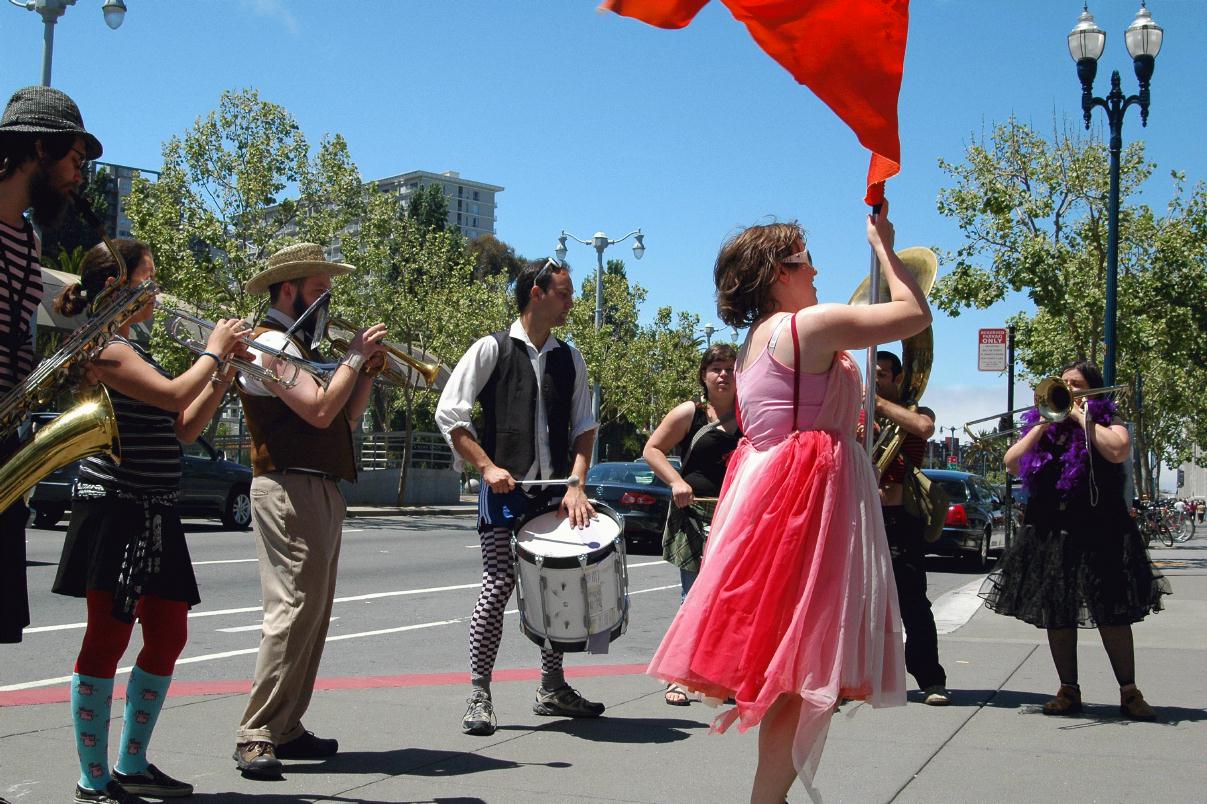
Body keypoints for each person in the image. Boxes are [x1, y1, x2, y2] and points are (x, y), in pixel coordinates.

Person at [648, 202, 929, 802]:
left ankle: (767, 798)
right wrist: (884, 247)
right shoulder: (803, 328)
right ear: (780, 271)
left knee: (791, 672)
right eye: (805, 260)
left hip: (779, 495)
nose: (817, 269)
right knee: (802, 670)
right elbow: (912, 314)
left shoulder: (759, 337)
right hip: (802, 502)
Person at [51, 239, 249, 804]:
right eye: (150, 278)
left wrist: (222, 374)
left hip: (155, 507)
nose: (158, 291)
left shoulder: (136, 348)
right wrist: (213, 350)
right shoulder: (104, 347)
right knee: (107, 637)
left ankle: (132, 762)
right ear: (120, 286)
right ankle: (94, 777)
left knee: (169, 632)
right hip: (115, 506)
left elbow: (183, 425)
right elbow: (167, 395)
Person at [232, 243, 386, 777]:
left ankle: (287, 725)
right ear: (290, 288)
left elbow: (343, 420)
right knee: (294, 608)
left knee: (314, 612)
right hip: (286, 485)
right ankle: (256, 732)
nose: (327, 301)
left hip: (318, 485)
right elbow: (320, 410)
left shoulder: (299, 344)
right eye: (320, 289)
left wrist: (363, 374)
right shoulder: (268, 343)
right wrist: (352, 357)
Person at [435, 257, 601, 737]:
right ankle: (479, 692)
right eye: (565, 293)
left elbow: (584, 428)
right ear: (537, 292)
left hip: (552, 494)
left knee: (556, 587)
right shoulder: (491, 349)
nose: (571, 302)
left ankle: (551, 687)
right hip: (503, 493)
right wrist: (486, 467)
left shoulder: (571, 358)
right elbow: (451, 414)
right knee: (498, 582)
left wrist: (576, 482)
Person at [981, 361, 1171, 720]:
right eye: (1063, 384)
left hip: (1102, 530)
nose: (1068, 389)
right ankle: (1068, 689)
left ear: (1092, 390)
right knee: (1058, 610)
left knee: (1112, 611)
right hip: (1051, 531)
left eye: (1077, 384)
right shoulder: (1044, 429)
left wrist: (1083, 418)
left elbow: (1117, 450)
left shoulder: (1108, 424)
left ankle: (1129, 692)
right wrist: (1040, 424)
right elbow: (1012, 463)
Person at [0, 85, 101, 646]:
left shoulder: (27, 239)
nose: (79, 177)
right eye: (74, 160)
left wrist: (59, 371)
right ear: (39, 147)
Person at [642, 343, 741, 705]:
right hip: (696, 517)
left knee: (732, 602)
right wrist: (676, 482)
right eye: (716, 367)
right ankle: (678, 678)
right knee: (693, 599)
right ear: (704, 374)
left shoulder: (754, 414)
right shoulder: (691, 412)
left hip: (740, 518)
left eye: (731, 367)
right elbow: (652, 449)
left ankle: (720, 676)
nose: (724, 374)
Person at [859, 350, 949, 706]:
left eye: (881, 374)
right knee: (859, 604)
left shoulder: (914, 411)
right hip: (863, 519)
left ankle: (930, 679)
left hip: (901, 520)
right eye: (871, 375)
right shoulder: (858, 414)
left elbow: (925, 428)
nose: (875, 380)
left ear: (897, 378)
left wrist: (878, 404)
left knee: (913, 603)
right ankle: (857, 678)